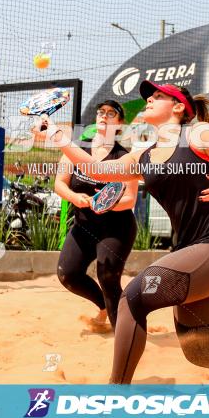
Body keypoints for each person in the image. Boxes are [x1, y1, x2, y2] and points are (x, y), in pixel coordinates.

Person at [34, 82, 209, 384]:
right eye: (149, 96)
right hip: (195, 256)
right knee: (201, 351)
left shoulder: (198, 134)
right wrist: (57, 136)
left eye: (157, 96)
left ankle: (117, 391)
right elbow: (97, 170)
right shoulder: (145, 153)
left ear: (179, 107)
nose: (149, 100)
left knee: (130, 300)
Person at [54, 100, 138, 333]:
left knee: (107, 275)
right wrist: (74, 197)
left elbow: (130, 199)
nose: (104, 115)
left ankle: (124, 333)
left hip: (116, 227)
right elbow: (59, 184)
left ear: (119, 124)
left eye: (112, 113)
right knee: (67, 274)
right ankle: (104, 307)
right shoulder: (78, 149)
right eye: (101, 112)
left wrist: (105, 205)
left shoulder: (124, 157)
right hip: (84, 225)